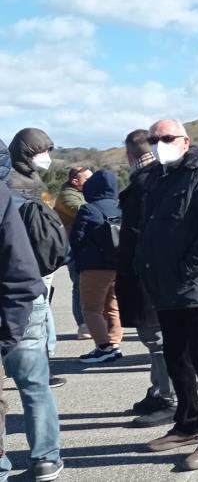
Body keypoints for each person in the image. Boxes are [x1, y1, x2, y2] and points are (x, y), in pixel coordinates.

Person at [136, 119, 198, 471]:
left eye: (166, 138)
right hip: (167, 289)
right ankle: (187, 424)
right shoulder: (158, 179)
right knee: (177, 361)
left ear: (185, 141)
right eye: (153, 139)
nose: (158, 143)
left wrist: (186, 272)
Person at [0, 147, 62, 482]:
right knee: (35, 386)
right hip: (27, 298)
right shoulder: (28, 193)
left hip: (15, 301)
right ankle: (46, 459)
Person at [116, 129, 175, 428]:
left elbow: (139, 233)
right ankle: (159, 390)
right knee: (157, 338)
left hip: (147, 274)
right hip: (159, 272)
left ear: (129, 154)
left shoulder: (145, 184)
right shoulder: (163, 178)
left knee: (157, 339)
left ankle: (170, 397)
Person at [69, 169, 124, 363]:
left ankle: (103, 347)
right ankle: (114, 344)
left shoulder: (89, 209)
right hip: (118, 265)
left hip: (94, 267)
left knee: (91, 309)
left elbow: (76, 239)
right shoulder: (121, 207)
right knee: (113, 306)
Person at [54, 165, 92, 340]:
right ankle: (83, 324)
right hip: (74, 248)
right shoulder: (67, 196)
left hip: (88, 245)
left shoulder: (84, 193)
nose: (91, 182)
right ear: (75, 181)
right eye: (87, 179)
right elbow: (84, 212)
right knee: (79, 285)